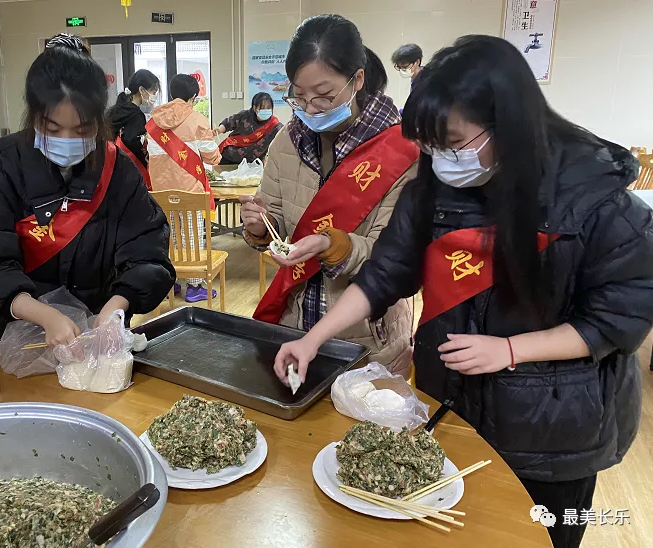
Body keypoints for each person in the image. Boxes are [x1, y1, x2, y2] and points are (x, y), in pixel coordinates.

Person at [274, 35, 653, 548]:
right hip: (454, 406)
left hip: (551, 428)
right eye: (428, 146)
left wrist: (512, 350)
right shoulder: (434, 182)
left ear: (508, 123)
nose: (439, 159)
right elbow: (387, 272)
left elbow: (621, 318)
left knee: (536, 536)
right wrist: (313, 339)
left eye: (452, 144)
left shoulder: (595, 200)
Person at [0, 34, 175, 347]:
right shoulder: (0, 164)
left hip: (99, 332)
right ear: (33, 116)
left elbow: (147, 250)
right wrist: (43, 315)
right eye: (52, 129)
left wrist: (116, 307)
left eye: (83, 130)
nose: (67, 139)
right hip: (22, 333)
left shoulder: (117, 170)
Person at [239, 14, 420, 377]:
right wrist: (260, 227)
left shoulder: (402, 152)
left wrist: (334, 246)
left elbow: (396, 261)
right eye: (298, 96)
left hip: (368, 341)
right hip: (293, 327)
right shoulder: (286, 143)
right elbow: (272, 213)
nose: (309, 109)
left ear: (357, 80)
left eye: (323, 96)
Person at [146, 73, 221, 303]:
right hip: (190, 191)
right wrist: (215, 156)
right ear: (193, 96)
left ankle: (173, 282)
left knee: (170, 237)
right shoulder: (197, 119)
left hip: (160, 192)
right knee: (193, 236)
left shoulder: (153, 121)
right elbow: (211, 156)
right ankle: (195, 286)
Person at [107, 69, 161, 188]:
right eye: (153, 91)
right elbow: (134, 142)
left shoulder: (117, 110)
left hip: (111, 168)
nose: (154, 96)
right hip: (128, 171)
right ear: (141, 90)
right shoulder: (136, 115)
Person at [214, 92, 283, 164]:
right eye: (262, 107)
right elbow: (229, 122)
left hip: (253, 161)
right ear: (254, 107)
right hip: (231, 154)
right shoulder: (245, 116)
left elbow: (284, 134)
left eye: (269, 107)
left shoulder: (274, 125)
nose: (266, 110)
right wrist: (219, 130)